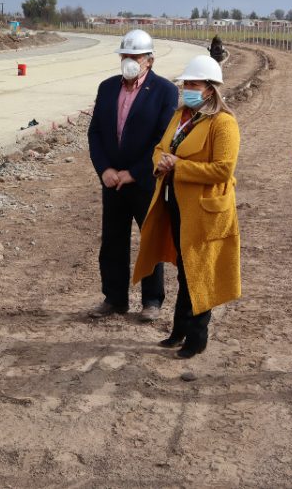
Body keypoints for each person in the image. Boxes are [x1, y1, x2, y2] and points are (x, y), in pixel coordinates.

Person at [133, 54, 241, 358]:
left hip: (206, 210)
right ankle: (179, 331)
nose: (187, 89)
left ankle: (197, 336)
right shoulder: (181, 116)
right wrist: (162, 162)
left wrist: (179, 166)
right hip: (176, 204)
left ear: (210, 89)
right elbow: (159, 148)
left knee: (199, 271)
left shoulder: (224, 124)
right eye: (186, 84)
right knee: (184, 269)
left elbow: (223, 170)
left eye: (193, 84)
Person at [87, 29, 179, 319]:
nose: (129, 61)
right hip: (112, 181)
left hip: (144, 181)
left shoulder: (165, 91)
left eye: (135, 56)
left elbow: (162, 140)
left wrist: (135, 173)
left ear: (149, 60)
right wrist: (105, 170)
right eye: (125, 55)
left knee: (150, 240)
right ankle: (114, 299)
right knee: (113, 240)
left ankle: (152, 301)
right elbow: (96, 133)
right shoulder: (107, 87)